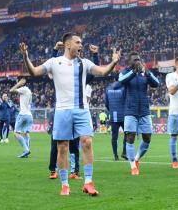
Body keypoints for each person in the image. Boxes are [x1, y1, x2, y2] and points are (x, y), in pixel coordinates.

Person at [21, 32, 120, 196]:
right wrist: (26, 57)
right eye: (78, 42)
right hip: (62, 110)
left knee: (87, 142)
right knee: (62, 147)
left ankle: (88, 182)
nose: (81, 45)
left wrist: (114, 62)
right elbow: (34, 72)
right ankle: (65, 184)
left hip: (82, 109)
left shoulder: (84, 62)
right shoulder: (54, 62)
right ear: (68, 45)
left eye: (81, 42)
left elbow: (102, 72)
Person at [48, 42, 100, 181]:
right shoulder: (59, 71)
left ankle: (75, 171)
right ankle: (53, 169)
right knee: (57, 144)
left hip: (77, 111)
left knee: (76, 144)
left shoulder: (81, 76)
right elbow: (51, 67)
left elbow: (94, 73)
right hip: (62, 110)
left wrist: (95, 55)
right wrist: (54, 50)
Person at [118, 51, 160, 176]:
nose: (137, 62)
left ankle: (136, 159)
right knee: (130, 137)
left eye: (138, 59)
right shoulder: (126, 72)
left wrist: (147, 73)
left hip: (144, 111)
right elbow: (121, 81)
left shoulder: (145, 73)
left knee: (147, 138)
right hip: (130, 110)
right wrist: (133, 72)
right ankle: (132, 166)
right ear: (129, 62)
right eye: (135, 60)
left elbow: (156, 83)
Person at [105, 75, 127, 161]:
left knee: (114, 137)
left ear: (114, 79)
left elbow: (106, 103)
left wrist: (111, 110)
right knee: (127, 134)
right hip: (124, 115)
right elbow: (126, 100)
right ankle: (124, 152)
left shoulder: (108, 89)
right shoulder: (124, 88)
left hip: (113, 116)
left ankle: (115, 156)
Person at [9, 77, 33, 158]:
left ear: (23, 82)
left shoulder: (24, 89)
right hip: (29, 115)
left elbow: (11, 90)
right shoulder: (29, 91)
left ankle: (26, 149)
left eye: (18, 80)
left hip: (23, 114)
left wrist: (19, 84)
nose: (17, 82)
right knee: (26, 133)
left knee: (16, 133)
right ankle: (26, 152)